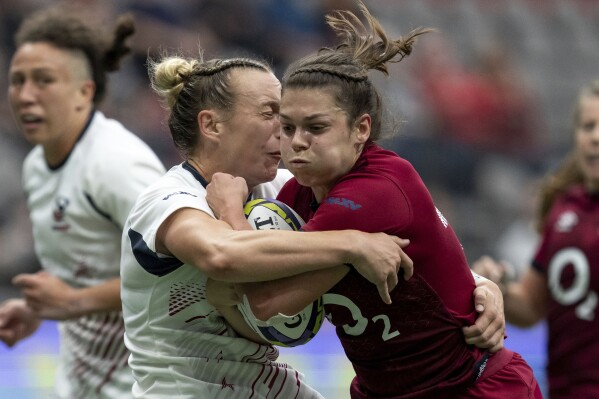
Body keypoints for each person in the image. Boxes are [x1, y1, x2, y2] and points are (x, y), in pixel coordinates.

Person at [119, 38, 504, 397]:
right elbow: (223, 256)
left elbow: (417, 241)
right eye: (274, 115)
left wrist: (481, 286)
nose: (288, 134)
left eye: (296, 120)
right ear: (212, 125)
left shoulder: (287, 188)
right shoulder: (168, 200)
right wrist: (353, 244)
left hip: (267, 384)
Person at [205, 2, 542, 398]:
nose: (296, 143)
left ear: (360, 128)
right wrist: (481, 284)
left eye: (316, 127)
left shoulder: (373, 193)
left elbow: (267, 300)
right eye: (288, 127)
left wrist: (229, 208)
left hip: (470, 388)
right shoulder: (300, 192)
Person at [0, 6, 166, 399]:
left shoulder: (117, 164)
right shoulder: (38, 165)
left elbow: (180, 274)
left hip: (145, 387)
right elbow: (87, 268)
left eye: (44, 80)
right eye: (17, 80)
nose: (25, 95)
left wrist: (74, 301)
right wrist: (40, 307)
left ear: (84, 92)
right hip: (81, 385)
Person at [472, 80, 599, 399]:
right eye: (588, 126)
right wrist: (496, 283)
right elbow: (530, 306)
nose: (595, 137)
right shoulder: (564, 210)